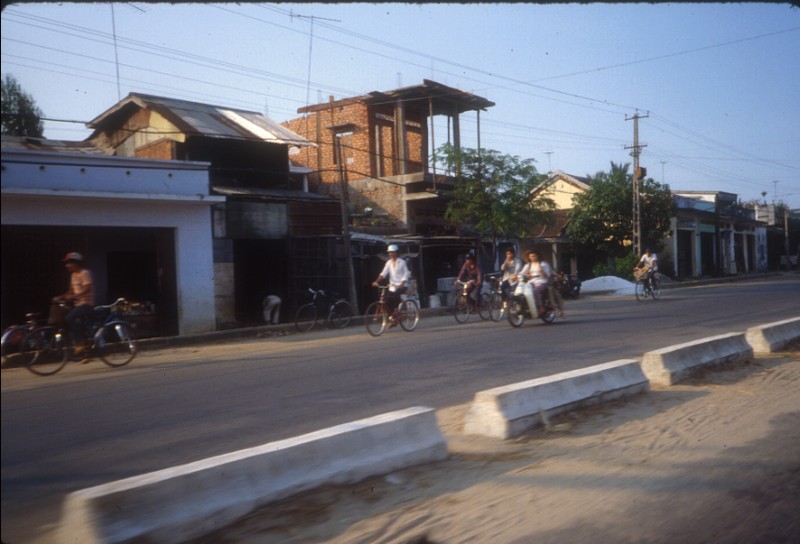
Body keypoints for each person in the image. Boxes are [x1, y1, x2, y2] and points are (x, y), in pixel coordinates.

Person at [52, 252, 95, 356]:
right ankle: (85, 347)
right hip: (77, 304)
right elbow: (71, 291)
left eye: (69, 263)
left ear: (76, 263)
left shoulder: (84, 273)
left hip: (86, 304)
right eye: (66, 263)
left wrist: (75, 297)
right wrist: (61, 297)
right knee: (66, 318)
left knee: (69, 318)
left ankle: (79, 343)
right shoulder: (73, 275)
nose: (67, 265)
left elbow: (88, 288)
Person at [372, 244, 409, 322]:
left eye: (392, 252)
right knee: (387, 301)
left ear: (396, 252)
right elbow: (383, 273)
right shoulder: (389, 263)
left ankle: (398, 312)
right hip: (392, 286)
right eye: (389, 252)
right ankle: (393, 317)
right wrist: (376, 281)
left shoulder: (402, 262)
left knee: (394, 297)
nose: (390, 254)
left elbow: (406, 273)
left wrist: (402, 282)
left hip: (402, 285)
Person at [516, 250, 549, 318]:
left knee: (535, 291)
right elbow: (522, 273)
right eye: (530, 256)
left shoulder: (543, 264)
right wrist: (517, 276)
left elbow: (548, 275)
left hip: (542, 281)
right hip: (531, 282)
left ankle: (541, 307)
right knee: (522, 291)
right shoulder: (528, 265)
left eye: (534, 256)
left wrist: (542, 271)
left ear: (537, 256)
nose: (532, 257)